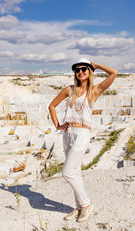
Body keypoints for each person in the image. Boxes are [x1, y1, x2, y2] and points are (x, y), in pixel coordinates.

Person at [48, 58, 118, 222]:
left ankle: (86, 204)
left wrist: (98, 65)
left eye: (84, 69)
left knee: (67, 172)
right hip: (68, 133)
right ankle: (79, 207)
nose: (80, 72)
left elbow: (114, 73)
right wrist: (58, 125)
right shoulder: (69, 90)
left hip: (82, 134)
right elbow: (51, 106)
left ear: (89, 71)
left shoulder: (94, 91)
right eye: (77, 70)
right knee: (75, 171)